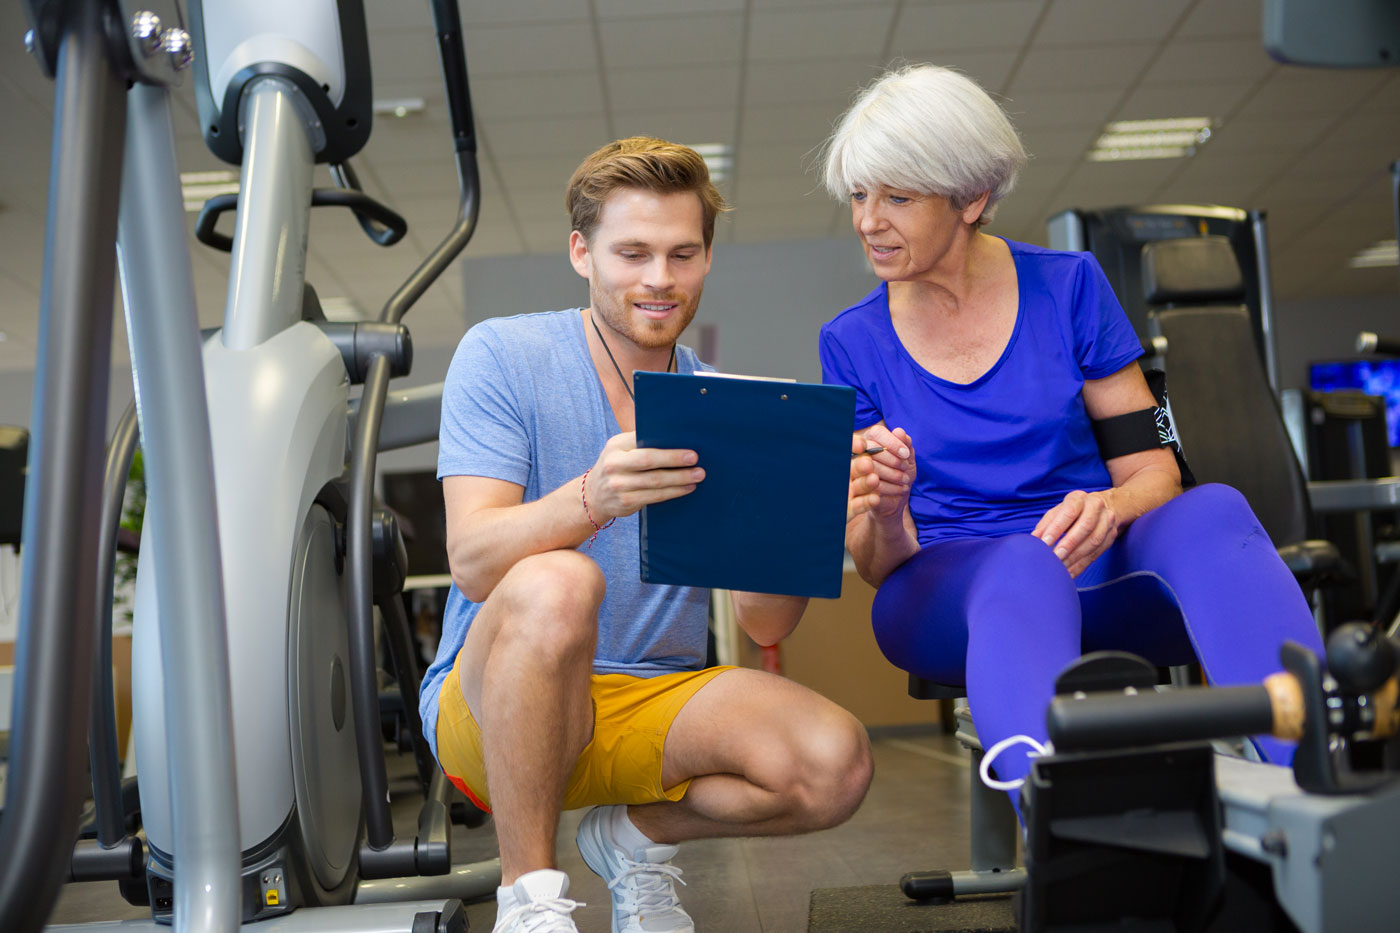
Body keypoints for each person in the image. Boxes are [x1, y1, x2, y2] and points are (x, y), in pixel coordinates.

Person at [818, 65, 1325, 799]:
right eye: (860, 195)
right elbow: (874, 561)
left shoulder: (1071, 286)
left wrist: (1113, 507)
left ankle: (1317, 777)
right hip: (943, 589)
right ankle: (1070, 840)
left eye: (897, 197)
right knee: (1020, 567)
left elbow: (1155, 474)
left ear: (974, 198)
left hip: (1093, 562)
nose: (868, 219)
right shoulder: (852, 341)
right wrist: (888, 508)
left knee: (1213, 508)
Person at [420, 136, 873, 933]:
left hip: (647, 700)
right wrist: (593, 497)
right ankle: (529, 902)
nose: (659, 279)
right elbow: (472, 558)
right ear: (581, 252)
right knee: (560, 582)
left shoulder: (726, 404)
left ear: (705, 259)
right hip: (491, 703)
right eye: (632, 252)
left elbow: (764, 623)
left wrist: (803, 522)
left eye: (682, 253)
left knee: (834, 764)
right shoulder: (504, 354)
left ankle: (631, 838)